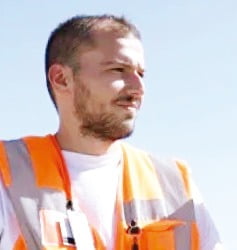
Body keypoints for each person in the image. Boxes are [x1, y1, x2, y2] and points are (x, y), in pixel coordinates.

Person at [0, 14, 223, 250]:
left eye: (141, 74)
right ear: (61, 79)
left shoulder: (176, 184)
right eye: (118, 70)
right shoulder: (8, 173)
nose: (138, 88)